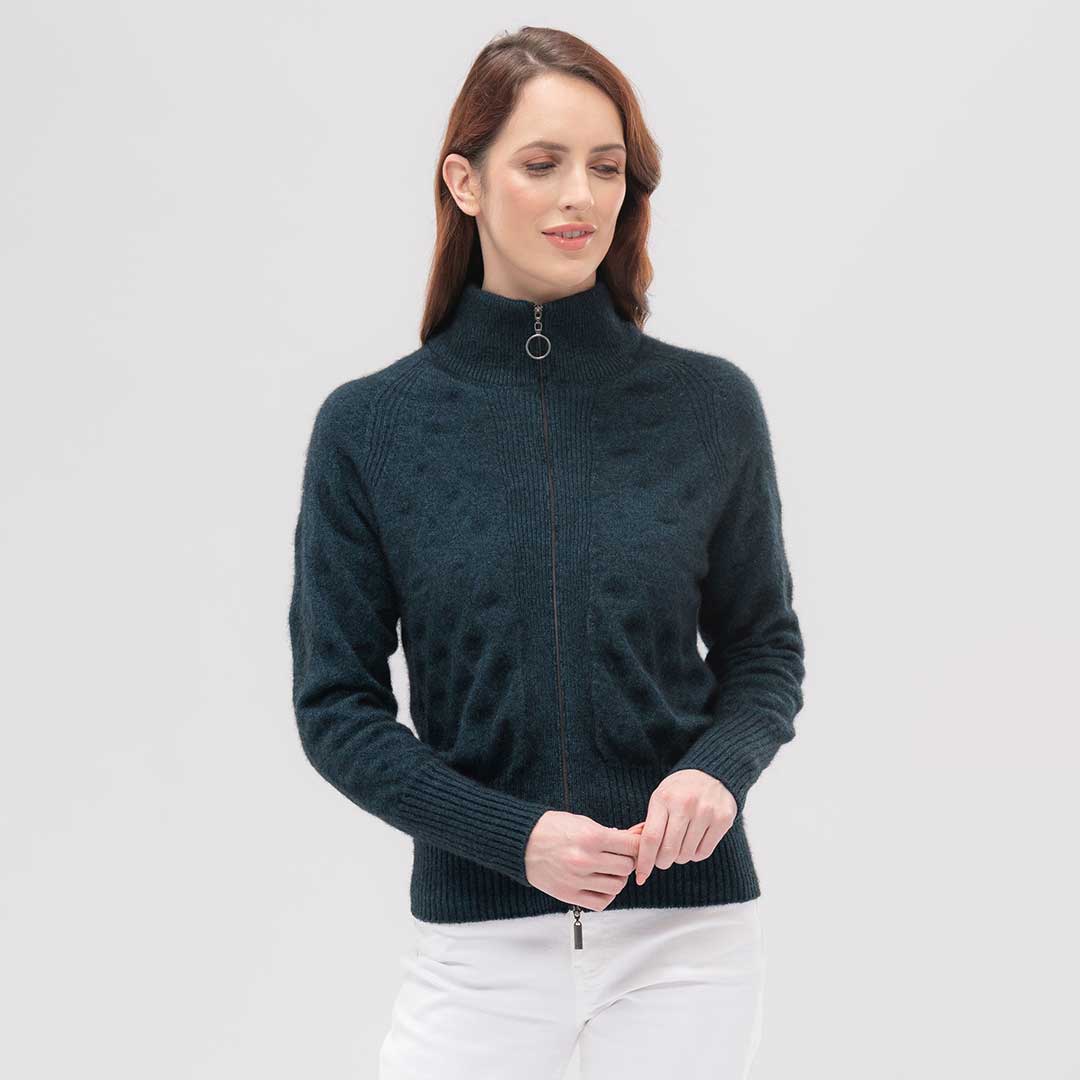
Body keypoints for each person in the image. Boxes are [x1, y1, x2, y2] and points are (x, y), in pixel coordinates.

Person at [288, 25, 806, 1080]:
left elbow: (764, 651)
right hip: (477, 954)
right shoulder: (370, 427)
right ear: (465, 181)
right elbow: (336, 707)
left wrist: (717, 772)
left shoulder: (709, 406)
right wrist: (511, 838)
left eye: (606, 168)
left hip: (686, 943)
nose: (581, 196)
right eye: (542, 163)